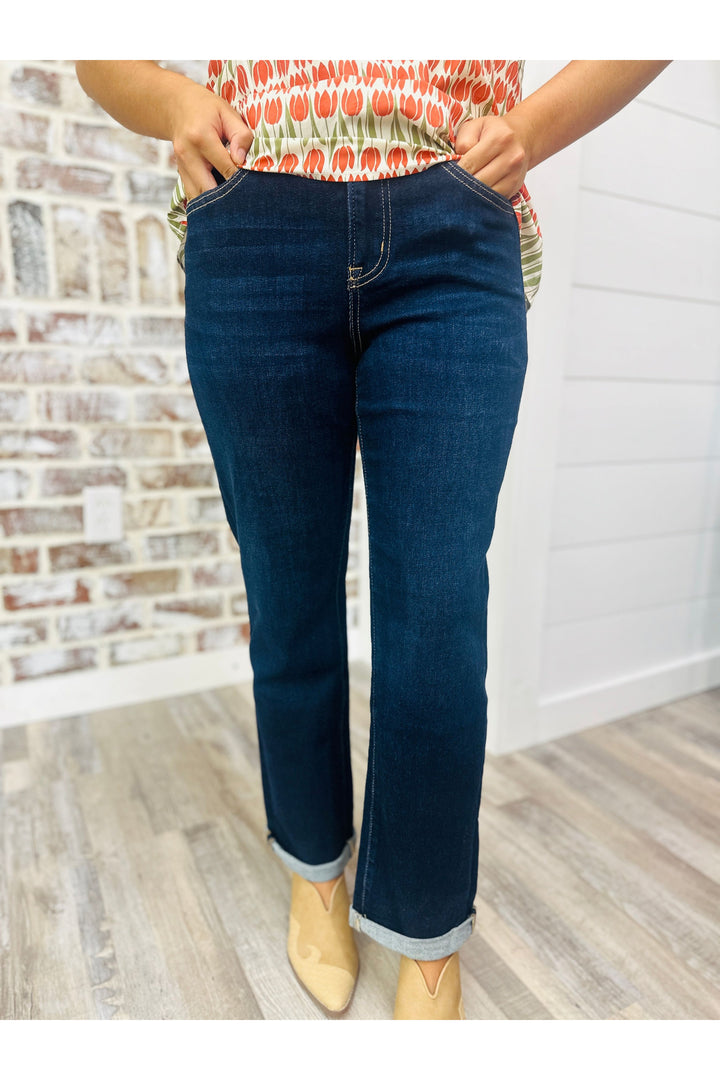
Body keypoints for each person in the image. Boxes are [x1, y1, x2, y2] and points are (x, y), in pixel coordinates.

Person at [75, 58, 671, 1020]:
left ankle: (426, 932)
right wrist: (179, 105)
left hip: (453, 224)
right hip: (255, 212)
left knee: (437, 614)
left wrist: (532, 129)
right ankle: (317, 875)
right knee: (287, 590)